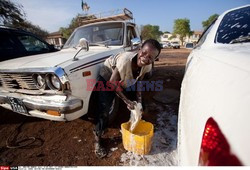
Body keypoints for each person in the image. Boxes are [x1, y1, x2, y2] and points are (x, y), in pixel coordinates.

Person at [93, 39, 161, 158]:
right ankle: (98, 139)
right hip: (108, 75)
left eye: (151, 57)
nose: (145, 58)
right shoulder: (125, 61)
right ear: (139, 49)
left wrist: (138, 100)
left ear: (154, 60)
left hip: (125, 77)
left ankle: (137, 123)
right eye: (144, 52)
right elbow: (113, 83)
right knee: (104, 109)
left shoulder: (147, 66)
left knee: (141, 105)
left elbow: (139, 81)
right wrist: (126, 101)